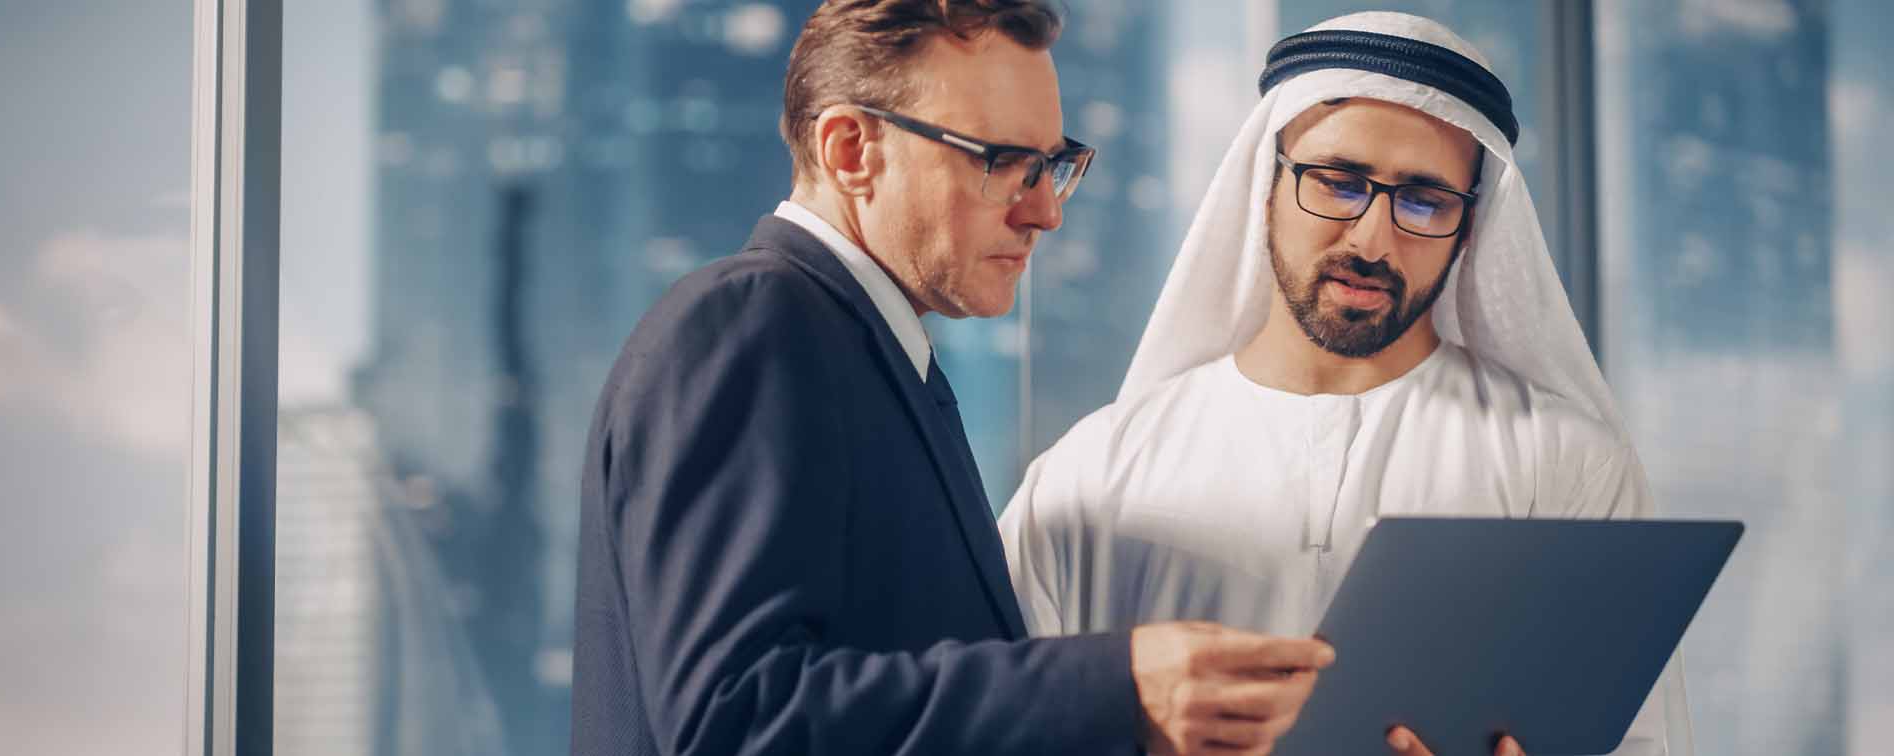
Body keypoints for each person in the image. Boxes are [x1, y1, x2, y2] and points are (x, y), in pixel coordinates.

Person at [571, 2, 1335, 754]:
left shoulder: (871, 355)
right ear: (850, 150)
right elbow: (734, 722)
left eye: (1052, 166)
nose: (1045, 212)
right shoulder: (750, 324)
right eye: (1001, 162)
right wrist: (1118, 689)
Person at [998, 11, 1694, 756]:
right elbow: (1001, 724)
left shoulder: (1564, 466)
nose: (1371, 240)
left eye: (1424, 200)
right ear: (1265, 184)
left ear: (1469, 229)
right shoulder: (1094, 473)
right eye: (1337, 183)